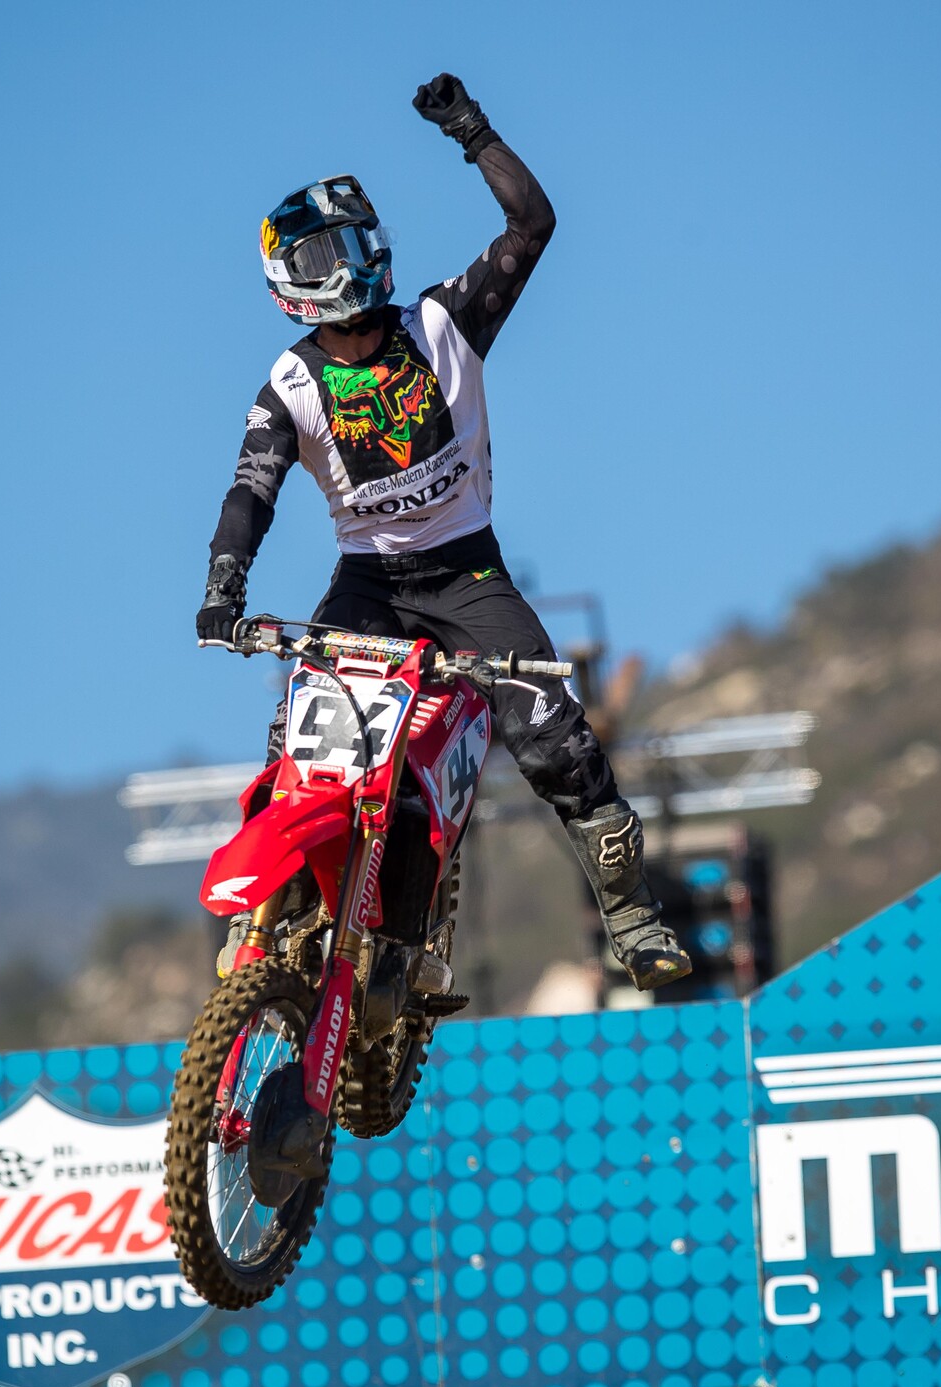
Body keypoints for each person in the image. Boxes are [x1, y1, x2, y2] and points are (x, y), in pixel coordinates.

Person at [195, 72, 692, 992]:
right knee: (299, 738)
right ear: (290, 283)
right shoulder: (290, 384)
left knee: (554, 734)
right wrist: (224, 585)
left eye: (357, 240)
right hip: (369, 584)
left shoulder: (442, 322)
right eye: (325, 253)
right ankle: (267, 921)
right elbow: (251, 489)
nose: (351, 262)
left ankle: (632, 918)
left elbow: (532, 226)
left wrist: (474, 131)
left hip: (469, 576)